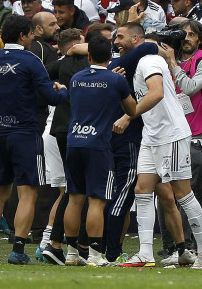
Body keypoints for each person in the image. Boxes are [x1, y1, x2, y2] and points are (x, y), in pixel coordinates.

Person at [0, 15, 67, 265]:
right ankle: (17, 249)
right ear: (23, 36)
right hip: (25, 133)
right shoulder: (31, 60)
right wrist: (63, 89)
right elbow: (51, 97)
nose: (34, 37)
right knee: (28, 193)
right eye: (31, 34)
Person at [120, 32, 202, 269]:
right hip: (151, 136)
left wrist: (128, 116)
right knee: (142, 189)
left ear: (136, 39)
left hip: (171, 135)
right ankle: (145, 253)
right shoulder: (142, 60)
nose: (117, 42)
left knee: (183, 194)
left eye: (121, 36)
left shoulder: (148, 60)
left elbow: (156, 93)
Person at [61, 35, 137, 267]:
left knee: (74, 199)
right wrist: (118, 86)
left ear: (89, 56)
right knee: (97, 201)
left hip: (74, 141)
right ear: (111, 56)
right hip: (98, 146)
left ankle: (72, 255)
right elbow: (132, 110)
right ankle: (94, 255)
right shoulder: (116, 80)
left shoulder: (76, 78)